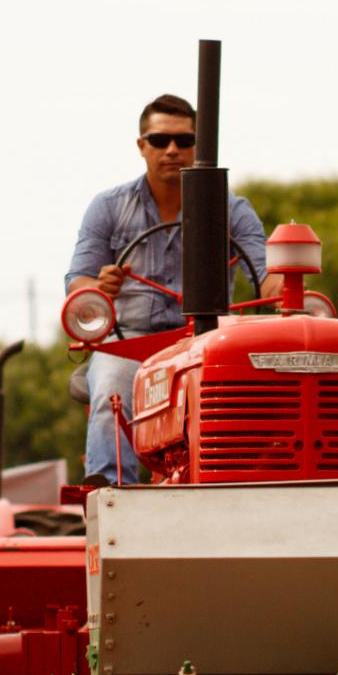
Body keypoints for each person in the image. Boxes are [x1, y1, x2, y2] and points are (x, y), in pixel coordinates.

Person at [65, 94, 279, 483]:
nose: (172, 151)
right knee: (111, 389)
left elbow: (266, 275)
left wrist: (287, 278)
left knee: (255, 395)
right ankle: (112, 494)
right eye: (161, 140)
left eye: (184, 141)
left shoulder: (232, 210)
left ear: (199, 147)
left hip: (204, 344)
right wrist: (101, 286)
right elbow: (78, 285)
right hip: (129, 345)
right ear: (142, 145)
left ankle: (247, 482)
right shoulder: (109, 207)